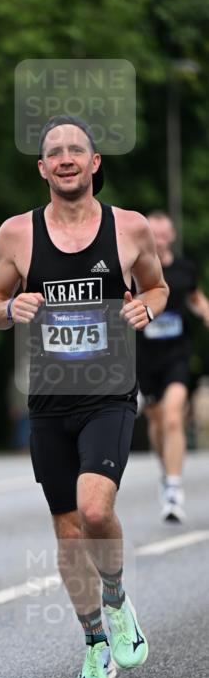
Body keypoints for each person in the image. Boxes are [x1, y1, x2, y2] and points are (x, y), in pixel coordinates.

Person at [0, 115, 168, 678]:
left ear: (94, 164)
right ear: (43, 168)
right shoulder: (17, 234)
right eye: (54, 152)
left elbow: (156, 286)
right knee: (65, 531)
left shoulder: (130, 228)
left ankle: (116, 599)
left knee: (93, 510)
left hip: (109, 394)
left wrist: (148, 308)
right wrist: (12, 310)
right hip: (49, 399)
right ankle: (93, 647)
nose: (65, 159)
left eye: (75, 150)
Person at [137, 211, 209, 522]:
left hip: (177, 355)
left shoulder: (185, 269)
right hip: (145, 357)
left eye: (165, 233)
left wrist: (205, 312)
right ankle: (166, 474)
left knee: (173, 416)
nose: (160, 238)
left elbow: (195, 298)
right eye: (155, 233)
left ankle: (174, 489)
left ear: (172, 236)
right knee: (156, 423)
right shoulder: (135, 269)